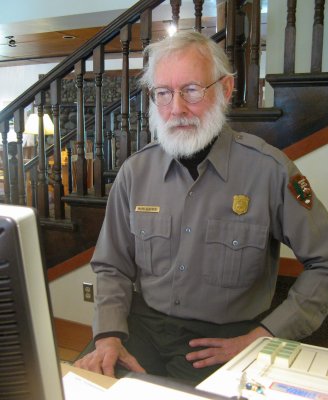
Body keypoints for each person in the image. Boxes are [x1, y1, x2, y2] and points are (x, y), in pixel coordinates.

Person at [75, 31, 328, 385]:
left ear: (225, 89)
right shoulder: (135, 173)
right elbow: (112, 266)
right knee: (86, 387)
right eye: (163, 93)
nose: (176, 108)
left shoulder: (270, 171)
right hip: (141, 330)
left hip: (225, 340)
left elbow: (325, 261)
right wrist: (108, 336)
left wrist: (264, 334)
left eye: (192, 90)